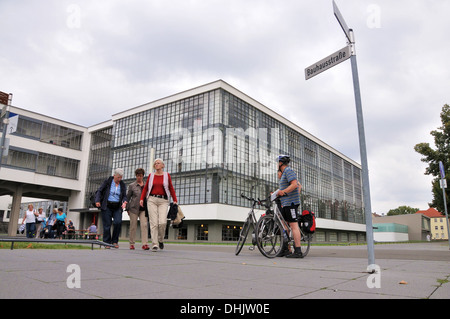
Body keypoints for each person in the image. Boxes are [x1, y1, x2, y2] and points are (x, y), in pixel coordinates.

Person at [140, 158, 177, 251]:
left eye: (158, 163)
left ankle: (160, 239)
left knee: (162, 222)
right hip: (151, 199)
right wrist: (141, 198)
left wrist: (175, 199)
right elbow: (146, 188)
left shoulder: (166, 175)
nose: (156, 164)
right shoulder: (151, 175)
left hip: (163, 201)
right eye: (155, 163)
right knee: (154, 223)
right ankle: (155, 243)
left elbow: (171, 187)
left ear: (163, 165)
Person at [277, 155, 303, 258]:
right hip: (285, 203)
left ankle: (298, 251)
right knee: (285, 226)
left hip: (291, 203)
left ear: (280, 163)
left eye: (277, 162)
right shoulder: (283, 174)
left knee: (293, 225)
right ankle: (286, 249)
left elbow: (295, 185)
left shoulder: (288, 170)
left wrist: (283, 192)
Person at [95, 168, 128, 248]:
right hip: (107, 206)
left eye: (121, 177)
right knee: (107, 225)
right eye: (118, 177)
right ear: (114, 175)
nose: (119, 179)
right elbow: (99, 191)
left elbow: (124, 196)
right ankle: (107, 242)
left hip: (117, 207)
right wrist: (97, 200)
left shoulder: (122, 184)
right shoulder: (108, 182)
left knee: (118, 222)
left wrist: (124, 201)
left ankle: (114, 241)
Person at [127, 168, 149, 250]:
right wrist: (127, 209)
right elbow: (127, 198)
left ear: (143, 176)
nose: (139, 177)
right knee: (133, 226)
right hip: (133, 209)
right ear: (136, 176)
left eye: (140, 176)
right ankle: (132, 243)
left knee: (144, 225)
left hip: (143, 209)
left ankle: (145, 244)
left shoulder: (146, 185)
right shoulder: (132, 185)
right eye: (137, 176)